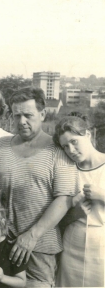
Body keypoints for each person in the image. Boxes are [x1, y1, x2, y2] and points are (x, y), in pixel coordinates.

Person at [0, 87, 79, 287]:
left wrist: (31, 236)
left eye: (28, 115)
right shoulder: (0, 145)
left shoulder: (58, 149)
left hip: (39, 247)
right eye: (17, 115)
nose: (22, 121)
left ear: (42, 114)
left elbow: (64, 199)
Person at [53, 114, 105, 287]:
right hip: (72, 244)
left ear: (88, 134)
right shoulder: (68, 170)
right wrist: (74, 212)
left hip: (101, 247)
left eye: (74, 142)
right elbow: (58, 216)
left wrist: (102, 195)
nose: (71, 150)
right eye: (65, 146)